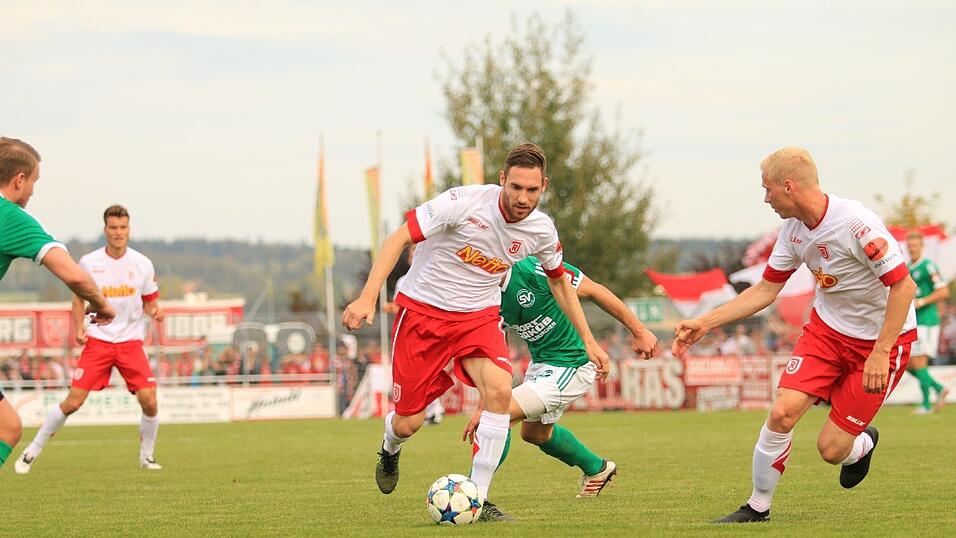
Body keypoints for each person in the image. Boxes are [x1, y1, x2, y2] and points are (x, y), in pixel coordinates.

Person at [342, 143, 609, 522]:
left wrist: (589, 339)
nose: (522, 198)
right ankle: (390, 446)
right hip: (423, 313)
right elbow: (397, 238)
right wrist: (368, 297)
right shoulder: (462, 203)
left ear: (544, 186)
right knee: (409, 422)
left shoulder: (541, 230)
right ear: (502, 179)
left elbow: (560, 283)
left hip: (477, 318)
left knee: (500, 391)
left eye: (532, 190)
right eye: (515, 187)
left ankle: (478, 500)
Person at [672, 147, 917, 523]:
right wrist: (704, 322)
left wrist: (881, 351)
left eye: (768, 189)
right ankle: (757, 507)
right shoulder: (792, 231)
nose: (765, 198)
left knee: (832, 449)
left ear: (788, 187)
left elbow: (903, 287)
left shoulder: (857, 224)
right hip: (827, 333)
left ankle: (862, 443)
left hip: (883, 340)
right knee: (782, 413)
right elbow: (765, 290)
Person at [463, 256, 658, 498]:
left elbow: (595, 290)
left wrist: (639, 330)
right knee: (535, 434)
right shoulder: (482, 295)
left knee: (498, 415)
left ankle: (472, 497)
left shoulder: (535, 269)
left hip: (572, 364)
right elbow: (493, 353)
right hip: (541, 366)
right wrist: (484, 403)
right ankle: (597, 468)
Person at [16, 204, 164, 473]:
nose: (118, 233)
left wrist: (155, 311)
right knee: (73, 402)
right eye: (113, 228)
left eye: (123, 227)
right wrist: (79, 327)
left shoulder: (142, 264)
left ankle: (147, 456)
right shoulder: (90, 262)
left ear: (129, 230)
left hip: (130, 342)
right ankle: (32, 450)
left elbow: (151, 301)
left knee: (150, 400)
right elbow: (77, 297)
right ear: (105, 230)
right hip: (99, 340)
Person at [0, 137, 115, 470]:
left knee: (7, 425)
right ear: (19, 179)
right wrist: (102, 304)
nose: (33, 191)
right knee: (7, 428)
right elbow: (75, 277)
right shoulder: (11, 218)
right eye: (34, 181)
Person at [905, 231, 950, 413]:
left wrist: (921, 302)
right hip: (913, 322)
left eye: (915, 245)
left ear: (922, 246)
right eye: (910, 246)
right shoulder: (907, 267)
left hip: (927, 321)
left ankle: (925, 405)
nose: (912, 248)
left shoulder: (928, 266)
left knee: (918, 361)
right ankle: (939, 388)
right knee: (906, 363)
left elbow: (944, 291)